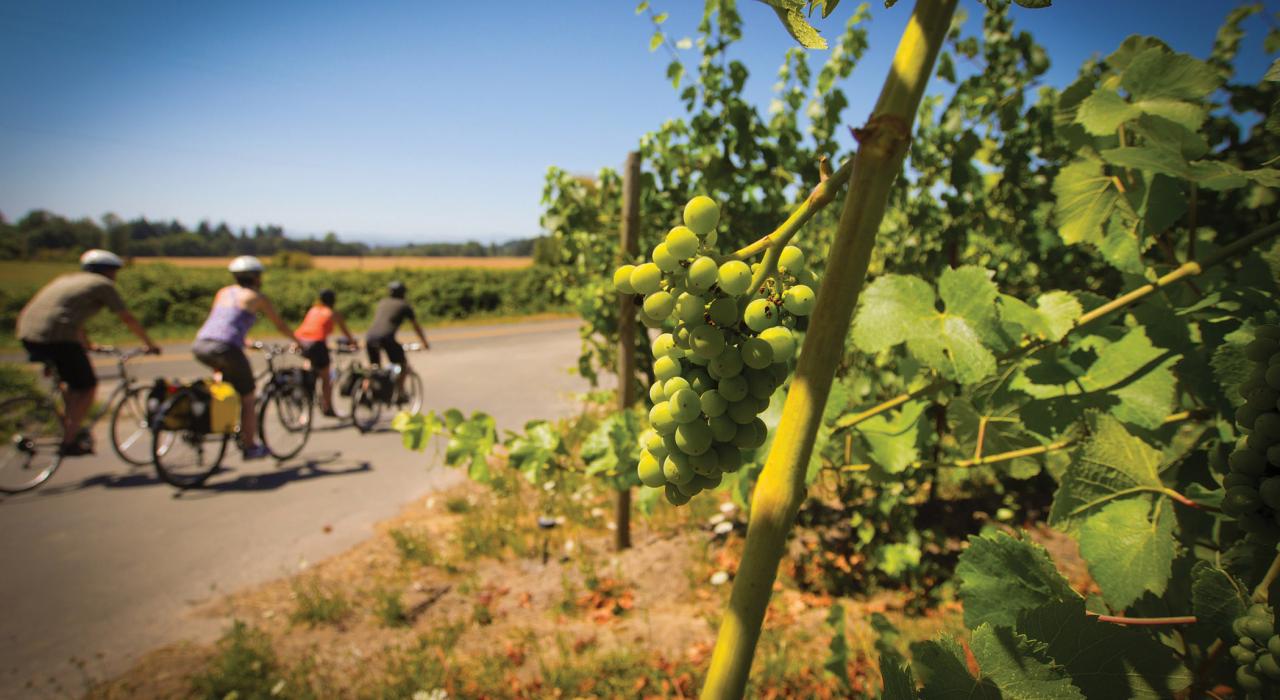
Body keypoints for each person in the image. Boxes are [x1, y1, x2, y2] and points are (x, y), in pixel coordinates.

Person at [16, 249, 161, 455]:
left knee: (71, 384)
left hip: (28, 335)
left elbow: (72, 318)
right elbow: (126, 317)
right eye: (114, 272)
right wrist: (149, 343)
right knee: (88, 386)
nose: (115, 276)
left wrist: (87, 344)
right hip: (58, 338)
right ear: (107, 272)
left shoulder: (68, 280)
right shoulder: (101, 285)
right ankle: (69, 440)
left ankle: (67, 422)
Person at [192, 256, 300, 460]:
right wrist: (298, 341)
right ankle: (250, 446)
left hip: (200, 344)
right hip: (225, 348)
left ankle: (215, 417)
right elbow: (280, 325)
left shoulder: (223, 292)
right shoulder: (257, 297)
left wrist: (245, 340)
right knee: (248, 396)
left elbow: (222, 323)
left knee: (223, 382)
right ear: (257, 277)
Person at [295, 288, 355, 417]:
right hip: (317, 344)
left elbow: (305, 329)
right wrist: (353, 342)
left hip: (302, 342)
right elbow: (345, 332)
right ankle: (328, 407)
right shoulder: (332, 313)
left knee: (309, 364)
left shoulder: (313, 310)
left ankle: (304, 389)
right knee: (326, 378)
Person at [365, 280, 430, 400]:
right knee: (403, 364)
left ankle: (365, 391)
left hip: (370, 337)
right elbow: (416, 327)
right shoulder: (404, 305)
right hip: (386, 338)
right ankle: (400, 392)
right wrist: (425, 343)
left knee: (374, 367)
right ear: (403, 292)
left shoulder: (382, 302)